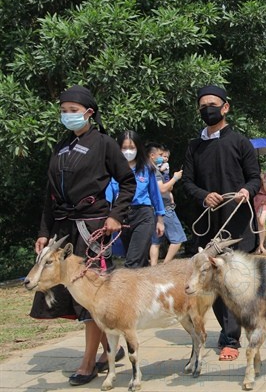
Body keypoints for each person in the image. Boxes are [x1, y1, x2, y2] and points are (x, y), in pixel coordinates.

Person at [31, 85, 135, 386]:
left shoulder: (104, 144)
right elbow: (50, 195)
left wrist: (116, 215)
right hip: (63, 229)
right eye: (63, 111)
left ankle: (88, 363)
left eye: (73, 111)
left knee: (92, 297)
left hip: (91, 230)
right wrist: (44, 232)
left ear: (89, 113)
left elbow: (127, 182)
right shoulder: (60, 147)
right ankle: (107, 352)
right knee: (73, 296)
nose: (67, 115)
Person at [181, 85, 260, 362]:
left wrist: (246, 192)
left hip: (236, 224)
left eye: (212, 104)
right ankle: (229, 337)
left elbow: (254, 178)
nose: (207, 110)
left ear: (225, 107)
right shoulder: (194, 146)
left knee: (236, 284)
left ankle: (235, 336)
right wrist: (203, 196)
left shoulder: (240, 142)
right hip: (209, 224)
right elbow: (187, 182)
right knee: (214, 283)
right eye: (202, 106)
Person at [106, 131, 165, 268]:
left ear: (138, 148)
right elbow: (108, 195)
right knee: (140, 262)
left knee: (132, 262)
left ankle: (125, 289)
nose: (128, 151)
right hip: (123, 216)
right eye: (124, 148)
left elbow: (155, 194)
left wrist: (160, 219)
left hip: (143, 215)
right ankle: (148, 288)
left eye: (131, 148)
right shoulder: (112, 171)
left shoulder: (147, 169)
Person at [146, 143, 187, 265]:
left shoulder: (148, 170)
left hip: (154, 209)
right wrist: (175, 178)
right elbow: (162, 189)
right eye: (160, 155)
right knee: (178, 239)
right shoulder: (155, 172)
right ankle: (164, 265)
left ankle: (153, 268)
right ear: (152, 155)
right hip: (165, 209)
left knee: (155, 242)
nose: (163, 158)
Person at [254, 169, 266, 254]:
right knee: (258, 224)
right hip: (256, 200)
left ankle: (261, 245)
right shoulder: (254, 177)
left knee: (262, 222)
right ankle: (260, 245)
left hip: (265, 200)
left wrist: (264, 181)